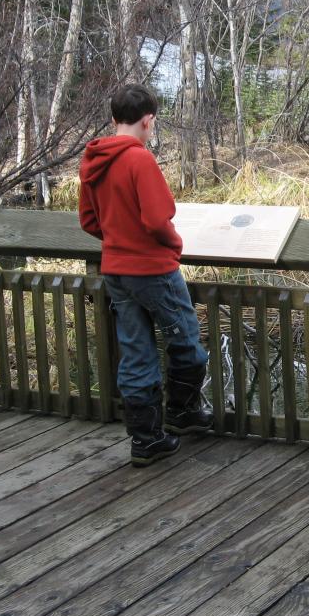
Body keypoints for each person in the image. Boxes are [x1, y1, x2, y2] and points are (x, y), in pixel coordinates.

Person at [79, 83, 212, 467]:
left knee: (136, 352)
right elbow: (156, 219)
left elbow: (88, 221)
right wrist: (173, 244)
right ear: (148, 120)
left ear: (114, 119)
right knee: (187, 343)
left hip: (116, 271)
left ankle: (146, 439)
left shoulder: (93, 160)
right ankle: (182, 413)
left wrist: (118, 240)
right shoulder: (139, 160)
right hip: (152, 268)